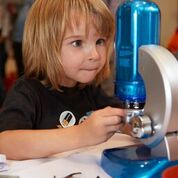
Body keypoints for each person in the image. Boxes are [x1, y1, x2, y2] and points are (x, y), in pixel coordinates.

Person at [0, 0, 125, 160]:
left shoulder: (90, 90)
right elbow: (4, 144)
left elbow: (124, 117)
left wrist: (129, 122)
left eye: (99, 41)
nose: (95, 55)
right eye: (77, 43)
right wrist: (81, 134)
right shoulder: (28, 91)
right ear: (45, 46)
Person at [12, 0, 35, 77]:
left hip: (30, 42)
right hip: (17, 40)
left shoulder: (38, 4)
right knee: (20, 67)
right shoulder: (22, 4)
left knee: (30, 69)